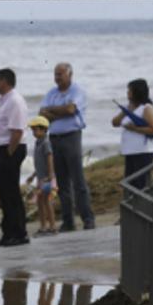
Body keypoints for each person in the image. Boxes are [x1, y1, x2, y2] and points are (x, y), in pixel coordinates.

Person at [38, 62, 95, 232]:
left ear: (70, 75)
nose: (57, 78)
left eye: (60, 74)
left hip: (72, 137)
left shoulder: (77, 91)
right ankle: (68, 222)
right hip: (54, 138)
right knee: (62, 183)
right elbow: (42, 114)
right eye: (55, 74)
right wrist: (56, 112)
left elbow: (71, 109)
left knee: (78, 181)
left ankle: (88, 219)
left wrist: (53, 112)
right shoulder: (51, 93)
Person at [0, 68, 30, 247]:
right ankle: (8, 233)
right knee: (4, 193)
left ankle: (19, 233)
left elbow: (18, 131)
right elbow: (7, 124)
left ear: (5, 81)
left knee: (11, 193)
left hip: (11, 149)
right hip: (3, 149)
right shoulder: (4, 100)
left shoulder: (14, 100)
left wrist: (9, 154)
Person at [112, 79, 153, 191]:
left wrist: (134, 128)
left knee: (141, 184)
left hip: (143, 151)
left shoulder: (146, 108)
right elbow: (115, 122)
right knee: (130, 184)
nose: (127, 93)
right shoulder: (129, 108)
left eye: (130, 91)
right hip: (130, 151)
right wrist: (125, 112)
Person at [25, 116, 57, 236]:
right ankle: (43, 226)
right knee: (40, 202)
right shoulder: (38, 143)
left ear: (44, 130)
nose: (34, 132)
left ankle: (52, 226)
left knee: (47, 202)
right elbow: (38, 163)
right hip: (40, 178)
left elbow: (49, 158)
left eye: (36, 129)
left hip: (46, 179)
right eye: (32, 130)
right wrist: (33, 176)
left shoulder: (46, 143)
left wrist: (50, 175)